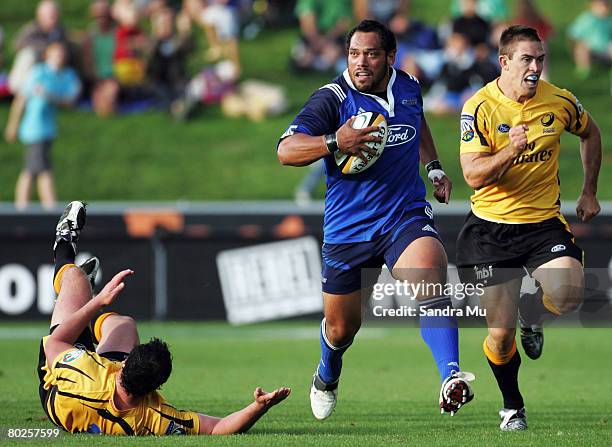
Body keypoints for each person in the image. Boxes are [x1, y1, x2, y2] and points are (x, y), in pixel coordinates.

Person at [278, 19, 475, 421]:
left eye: (370, 53)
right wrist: (336, 141)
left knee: (431, 272)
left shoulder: (408, 86)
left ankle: (451, 376)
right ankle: (327, 373)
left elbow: (417, 122)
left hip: (402, 215)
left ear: (390, 56)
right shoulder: (331, 99)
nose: (360, 62)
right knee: (340, 330)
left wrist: (433, 166)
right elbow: (285, 150)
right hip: (348, 230)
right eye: (353, 53)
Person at [38, 201, 291, 435]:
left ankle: (64, 241)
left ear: (123, 365)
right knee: (124, 324)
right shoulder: (154, 417)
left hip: (59, 384)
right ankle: (82, 306)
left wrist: (98, 302)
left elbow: (54, 344)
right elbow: (218, 428)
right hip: (98, 387)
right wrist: (259, 406)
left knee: (75, 280)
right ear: (155, 388)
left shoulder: (86, 375)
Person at [457, 25, 602, 430]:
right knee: (500, 338)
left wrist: (589, 191)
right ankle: (512, 406)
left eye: (540, 59)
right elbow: (472, 175)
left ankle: (532, 310)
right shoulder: (478, 107)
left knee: (570, 293)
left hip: (542, 225)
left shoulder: (559, 101)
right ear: (504, 62)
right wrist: (510, 150)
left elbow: (590, 132)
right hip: (491, 230)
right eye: (527, 59)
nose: (536, 67)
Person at [4, 42, 81, 210]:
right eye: (56, 54)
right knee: (41, 169)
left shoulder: (65, 74)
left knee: (31, 169)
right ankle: (47, 207)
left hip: (48, 128)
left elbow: (70, 98)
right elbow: (22, 98)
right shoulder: (39, 72)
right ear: (48, 55)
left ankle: (24, 207)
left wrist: (51, 96)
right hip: (34, 128)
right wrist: (13, 124)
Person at [567, 0, 612, 79]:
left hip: (605, 49)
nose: (604, 9)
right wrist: (574, 50)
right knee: (581, 46)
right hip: (591, 49)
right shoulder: (586, 20)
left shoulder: (608, 21)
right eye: (601, 6)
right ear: (592, 6)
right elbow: (573, 34)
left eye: (606, 6)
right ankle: (583, 68)